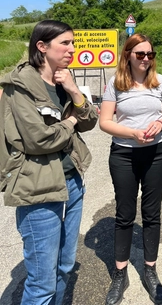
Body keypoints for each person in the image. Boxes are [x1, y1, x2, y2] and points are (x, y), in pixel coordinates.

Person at [0, 20, 98, 305]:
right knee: (42, 283)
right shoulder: (20, 86)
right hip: (39, 189)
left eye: (73, 43)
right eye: (65, 43)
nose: (72, 49)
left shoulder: (63, 80)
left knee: (65, 266)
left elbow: (89, 122)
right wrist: (69, 121)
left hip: (72, 183)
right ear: (42, 47)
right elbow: (38, 140)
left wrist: (75, 91)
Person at [99, 33, 162, 305]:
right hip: (123, 153)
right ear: (128, 55)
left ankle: (150, 269)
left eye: (150, 55)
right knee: (124, 213)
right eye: (140, 54)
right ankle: (120, 274)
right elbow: (105, 122)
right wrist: (132, 134)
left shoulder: (161, 82)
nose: (146, 59)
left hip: (157, 152)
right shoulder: (115, 84)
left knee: (152, 213)